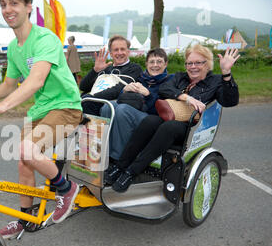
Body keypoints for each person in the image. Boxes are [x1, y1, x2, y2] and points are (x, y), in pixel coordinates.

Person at [0, 0, 83, 239]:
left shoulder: (45, 39)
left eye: (14, 3)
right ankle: (25, 220)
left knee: (28, 150)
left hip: (66, 107)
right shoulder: (14, 47)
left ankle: (67, 188)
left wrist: (2, 107)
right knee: (24, 160)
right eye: (3, 5)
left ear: (29, 7)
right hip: (41, 110)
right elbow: (9, 85)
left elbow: (37, 79)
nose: (7, 10)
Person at [110, 45, 240, 193]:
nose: (193, 67)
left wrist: (226, 72)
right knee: (150, 121)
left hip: (190, 127)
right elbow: (164, 89)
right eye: (189, 63)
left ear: (208, 64)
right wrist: (186, 98)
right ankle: (119, 166)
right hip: (171, 117)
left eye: (198, 63)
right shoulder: (180, 77)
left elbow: (230, 101)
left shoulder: (215, 81)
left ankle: (131, 172)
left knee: (168, 127)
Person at [100, 48, 173, 184]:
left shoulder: (169, 80)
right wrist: (124, 90)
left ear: (166, 64)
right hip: (136, 112)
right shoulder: (141, 78)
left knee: (122, 110)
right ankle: (106, 155)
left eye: (159, 61)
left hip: (154, 119)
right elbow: (125, 99)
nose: (155, 65)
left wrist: (148, 95)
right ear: (146, 64)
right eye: (152, 62)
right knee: (108, 107)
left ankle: (119, 160)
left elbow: (163, 109)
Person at [79, 35, 142, 116]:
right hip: (94, 102)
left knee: (86, 101)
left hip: (113, 105)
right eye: (116, 50)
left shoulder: (134, 68)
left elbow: (118, 89)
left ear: (128, 51)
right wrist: (95, 70)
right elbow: (83, 87)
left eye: (122, 49)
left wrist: (92, 97)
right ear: (111, 54)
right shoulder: (106, 68)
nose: (119, 53)